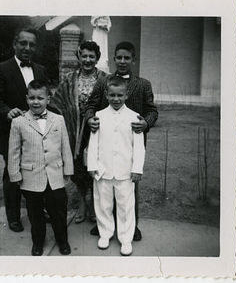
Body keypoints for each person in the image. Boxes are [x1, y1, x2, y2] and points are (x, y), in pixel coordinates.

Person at [85, 41, 158, 241]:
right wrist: (90, 118)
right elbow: (91, 105)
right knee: (104, 189)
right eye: (119, 57)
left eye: (127, 58)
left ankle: (130, 228)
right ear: (114, 59)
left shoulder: (143, 84)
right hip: (106, 138)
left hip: (130, 141)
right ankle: (104, 227)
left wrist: (145, 124)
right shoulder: (103, 82)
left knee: (128, 190)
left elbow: (152, 110)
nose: (123, 61)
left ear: (133, 60)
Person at [0, 26, 49, 232]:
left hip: (37, 133)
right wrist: (7, 112)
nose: (27, 48)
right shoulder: (0, 69)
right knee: (13, 174)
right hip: (12, 132)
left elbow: (47, 100)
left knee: (38, 171)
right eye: (23, 43)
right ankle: (13, 216)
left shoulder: (41, 70)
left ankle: (38, 211)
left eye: (32, 44)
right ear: (15, 44)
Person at [8, 79, 73, 256]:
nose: (36, 102)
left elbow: (65, 145)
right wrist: (15, 174)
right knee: (35, 214)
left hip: (55, 175)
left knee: (58, 211)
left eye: (40, 98)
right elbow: (14, 151)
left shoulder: (58, 120)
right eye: (32, 98)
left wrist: (68, 169)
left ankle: (63, 241)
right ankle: (38, 242)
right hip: (31, 177)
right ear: (26, 99)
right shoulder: (19, 122)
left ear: (48, 99)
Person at [49, 40, 107, 224]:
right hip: (75, 132)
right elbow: (57, 103)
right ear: (79, 57)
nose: (88, 59)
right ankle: (83, 204)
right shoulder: (69, 79)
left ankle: (94, 206)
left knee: (96, 169)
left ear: (97, 58)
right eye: (84, 56)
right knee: (79, 170)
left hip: (98, 132)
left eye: (92, 56)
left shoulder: (105, 79)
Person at [87, 76, 145, 256]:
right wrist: (92, 164)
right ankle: (105, 233)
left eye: (120, 95)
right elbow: (93, 142)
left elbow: (139, 146)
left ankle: (125, 239)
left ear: (126, 95)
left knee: (126, 205)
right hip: (103, 169)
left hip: (125, 171)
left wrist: (137, 169)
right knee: (103, 204)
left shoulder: (134, 117)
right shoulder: (99, 116)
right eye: (112, 95)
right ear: (106, 94)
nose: (116, 99)